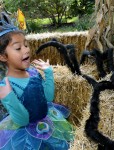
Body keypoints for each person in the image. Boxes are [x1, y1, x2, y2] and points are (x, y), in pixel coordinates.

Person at [0, 12, 74, 150]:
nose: (26, 50)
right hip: (25, 136)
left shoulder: (33, 72)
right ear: (3, 57)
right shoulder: (6, 86)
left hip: (47, 122)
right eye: (18, 48)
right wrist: (8, 96)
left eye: (26, 45)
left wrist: (48, 73)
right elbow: (22, 120)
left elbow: (48, 97)